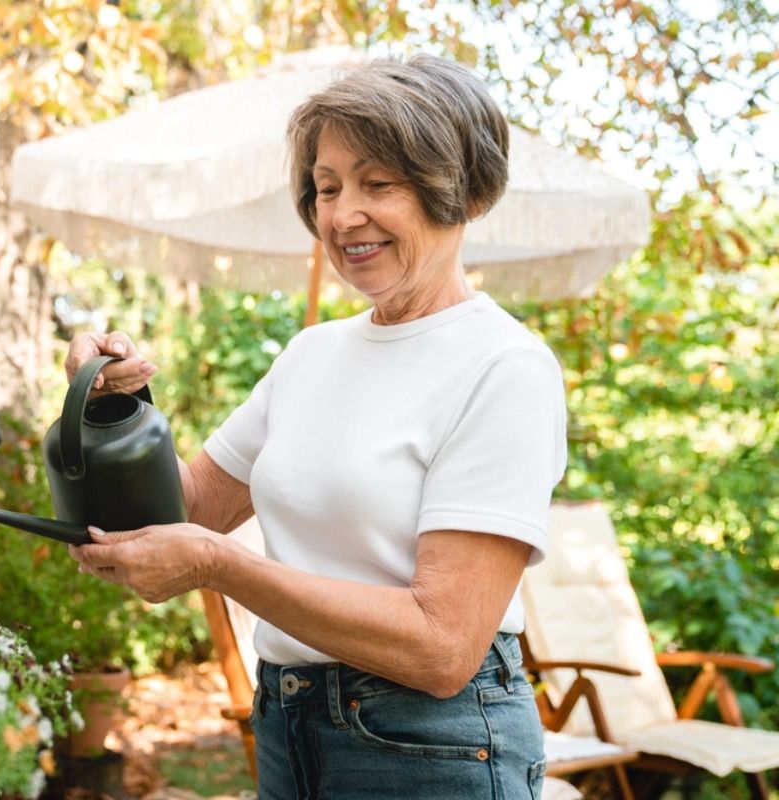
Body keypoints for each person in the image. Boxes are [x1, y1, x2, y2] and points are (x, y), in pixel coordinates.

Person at [67, 53, 567, 799]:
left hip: (431, 744)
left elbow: (442, 646)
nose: (340, 216)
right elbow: (194, 506)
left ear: (458, 192)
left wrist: (219, 566)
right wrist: (118, 403)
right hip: (289, 721)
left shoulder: (504, 367)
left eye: (378, 184)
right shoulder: (312, 354)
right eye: (326, 188)